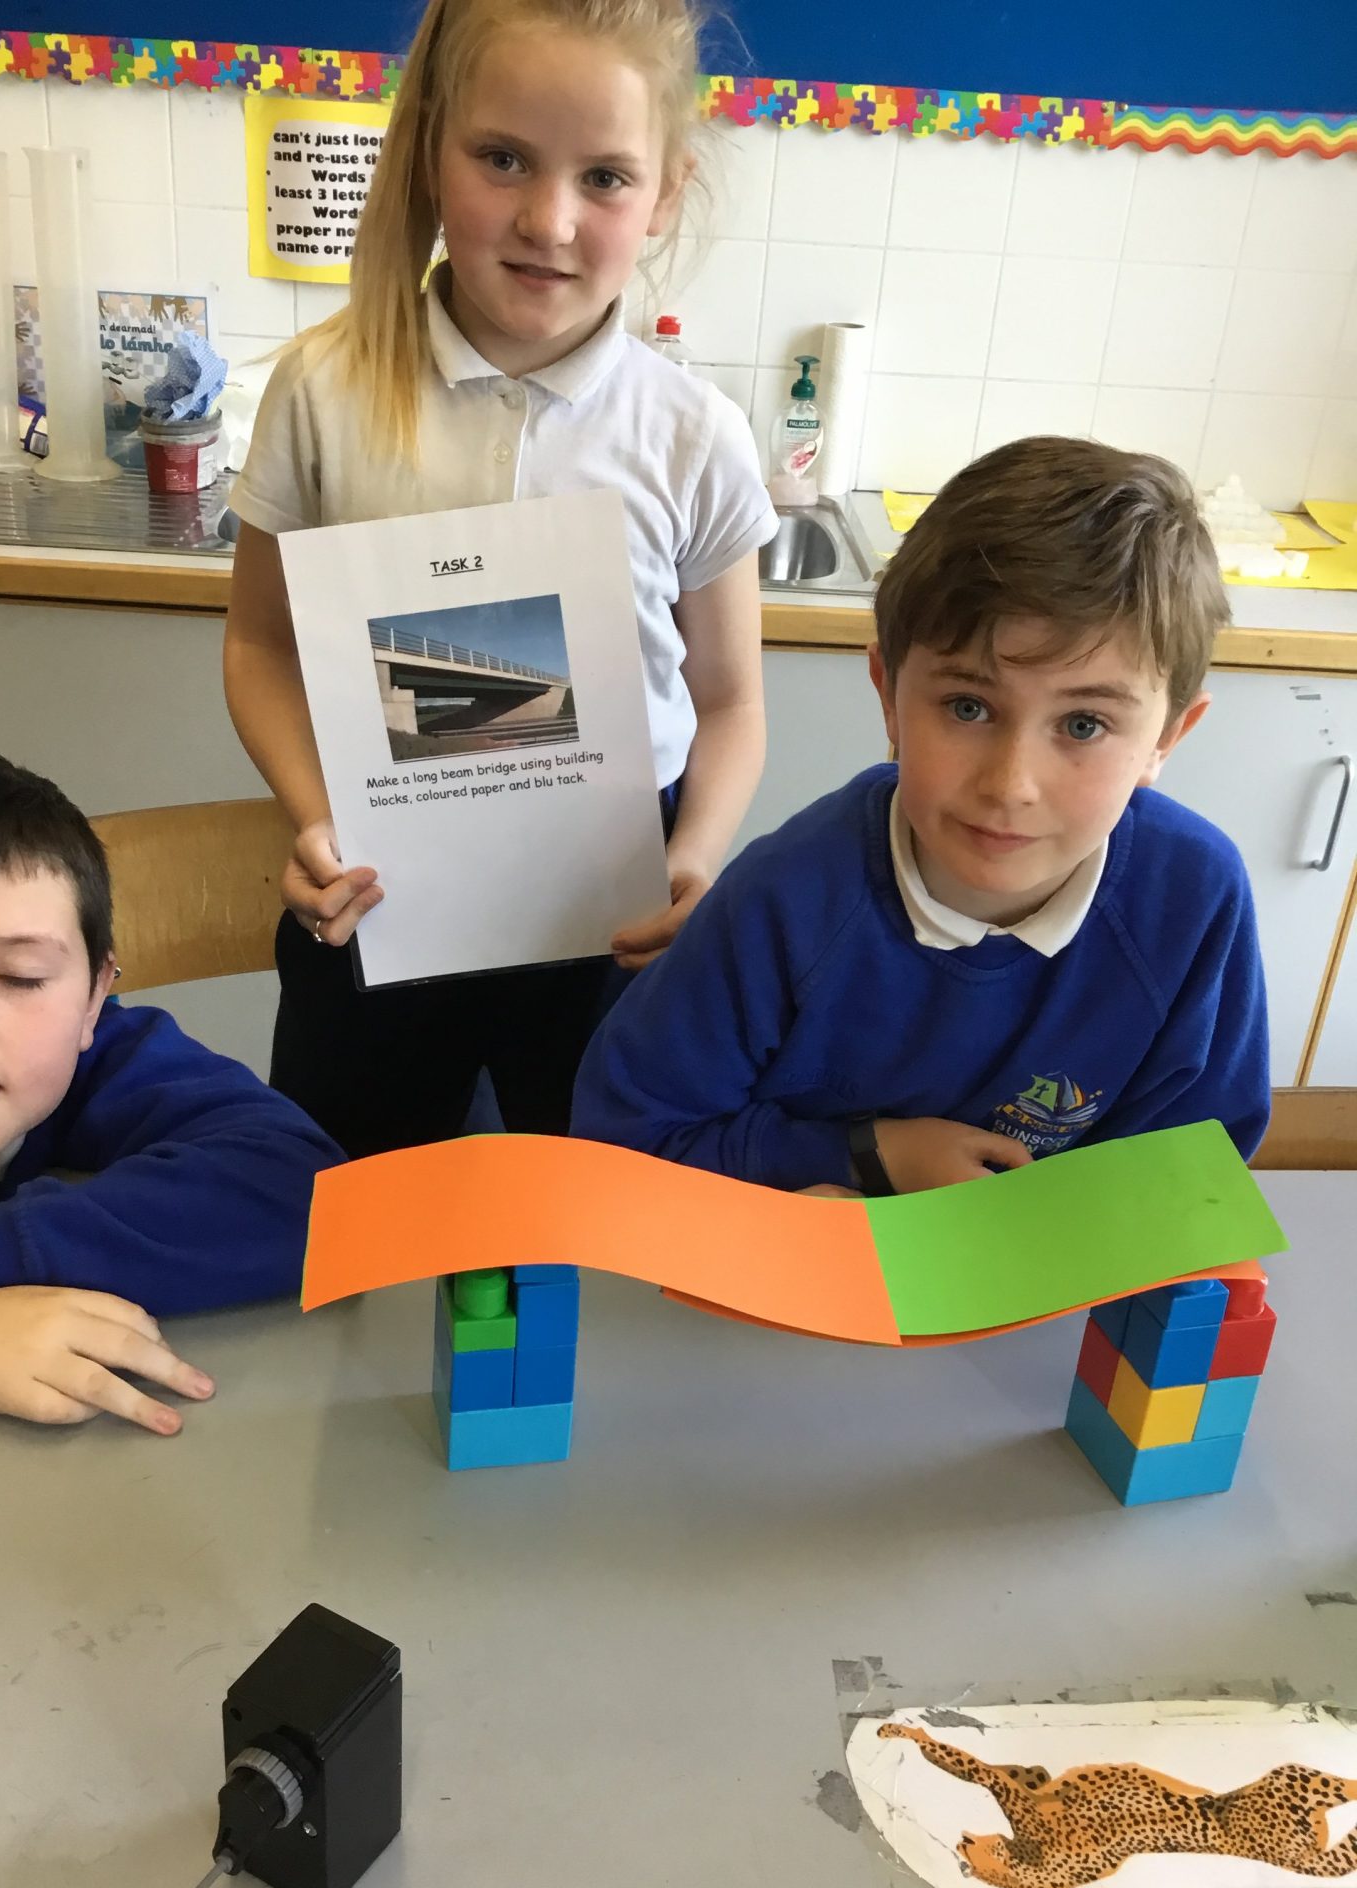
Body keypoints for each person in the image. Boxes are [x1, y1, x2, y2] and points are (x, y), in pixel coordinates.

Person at [224, 0, 777, 1158]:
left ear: (666, 193)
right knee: (350, 1201)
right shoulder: (323, 392)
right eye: (504, 159)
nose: (549, 221)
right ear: (433, 147)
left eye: (605, 177)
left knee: (593, 1209)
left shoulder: (693, 437)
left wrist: (694, 858)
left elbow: (730, 700)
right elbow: (261, 645)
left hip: (607, 913)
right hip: (381, 890)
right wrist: (314, 817)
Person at [0, 735, 343, 1839]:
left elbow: (301, 1185)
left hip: (34, 1613)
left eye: (21, 978)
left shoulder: (74, 1058)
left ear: (99, 995)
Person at [572, 436, 1271, 1191]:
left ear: (1166, 738)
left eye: (1083, 725)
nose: (1010, 785)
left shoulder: (1195, 898)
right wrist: (862, 1154)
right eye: (968, 706)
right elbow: (627, 1137)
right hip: (801, 1256)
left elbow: (1194, 1171)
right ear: (889, 695)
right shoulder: (782, 901)